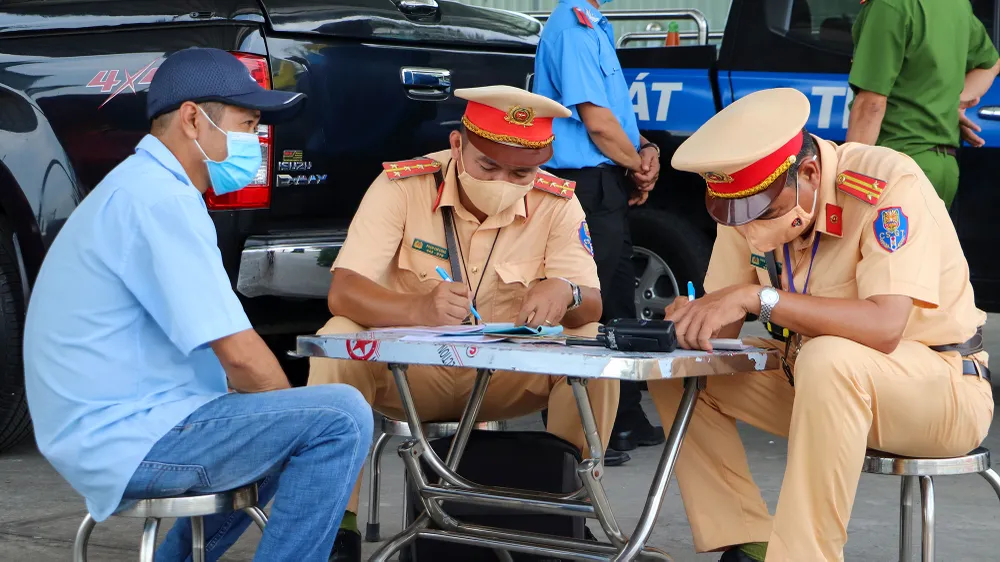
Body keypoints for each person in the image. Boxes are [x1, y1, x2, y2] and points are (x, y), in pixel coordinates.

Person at [23, 47, 372, 562]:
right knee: (338, 416)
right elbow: (238, 354)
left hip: (117, 428)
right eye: (247, 124)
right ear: (193, 118)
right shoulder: (159, 200)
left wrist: (276, 412)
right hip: (126, 438)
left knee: (291, 421)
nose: (255, 141)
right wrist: (285, 409)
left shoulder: (142, 189)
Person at [650, 88, 992, 562]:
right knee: (675, 368)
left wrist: (761, 298)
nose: (750, 230)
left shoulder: (886, 183)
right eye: (739, 217)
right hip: (817, 383)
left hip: (938, 386)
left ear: (809, 172)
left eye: (764, 213)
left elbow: (884, 327)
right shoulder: (748, 198)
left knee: (831, 357)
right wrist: (692, 322)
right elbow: (720, 325)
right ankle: (750, 542)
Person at [307, 85, 619, 561]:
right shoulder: (402, 186)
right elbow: (344, 291)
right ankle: (335, 529)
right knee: (338, 339)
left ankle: (569, 511)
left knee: (591, 345)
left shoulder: (557, 202)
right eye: (487, 166)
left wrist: (568, 292)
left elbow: (590, 306)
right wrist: (418, 310)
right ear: (457, 144)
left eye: (521, 172)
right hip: (411, 375)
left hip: (505, 376)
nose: (502, 181)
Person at [533, 0, 664, 465]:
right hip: (581, 184)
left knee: (615, 295)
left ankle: (623, 414)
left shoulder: (594, 25)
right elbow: (597, 123)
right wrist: (638, 167)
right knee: (591, 301)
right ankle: (588, 430)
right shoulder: (572, 27)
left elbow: (617, 118)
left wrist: (644, 150)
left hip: (602, 180)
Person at [846, 0, 1000, 208]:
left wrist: (849, 178)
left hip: (896, 165)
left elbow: (871, 105)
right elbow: (990, 65)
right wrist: (947, 105)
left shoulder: (889, 5)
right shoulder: (957, 4)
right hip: (943, 167)